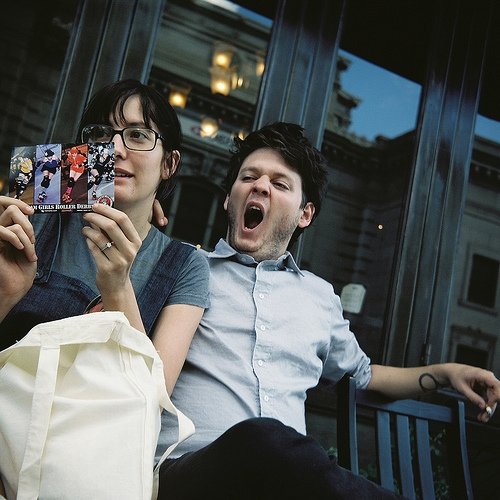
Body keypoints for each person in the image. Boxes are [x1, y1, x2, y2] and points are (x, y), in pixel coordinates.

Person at [155, 122, 500, 499]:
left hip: (285, 485)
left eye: (280, 183)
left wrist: (448, 373)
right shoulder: (184, 267)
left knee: (273, 442)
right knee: (263, 436)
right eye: (248, 177)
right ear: (228, 200)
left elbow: (366, 376)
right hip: (192, 472)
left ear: (305, 214)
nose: (260, 186)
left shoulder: (319, 297)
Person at [0, 78, 209, 412]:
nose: (115, 149)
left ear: (169, 164)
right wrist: (6, 291)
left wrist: (117, 288)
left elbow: (153, 399)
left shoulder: (185, 265)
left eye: (138, 135)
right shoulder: (32, 219)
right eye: (100, 134)